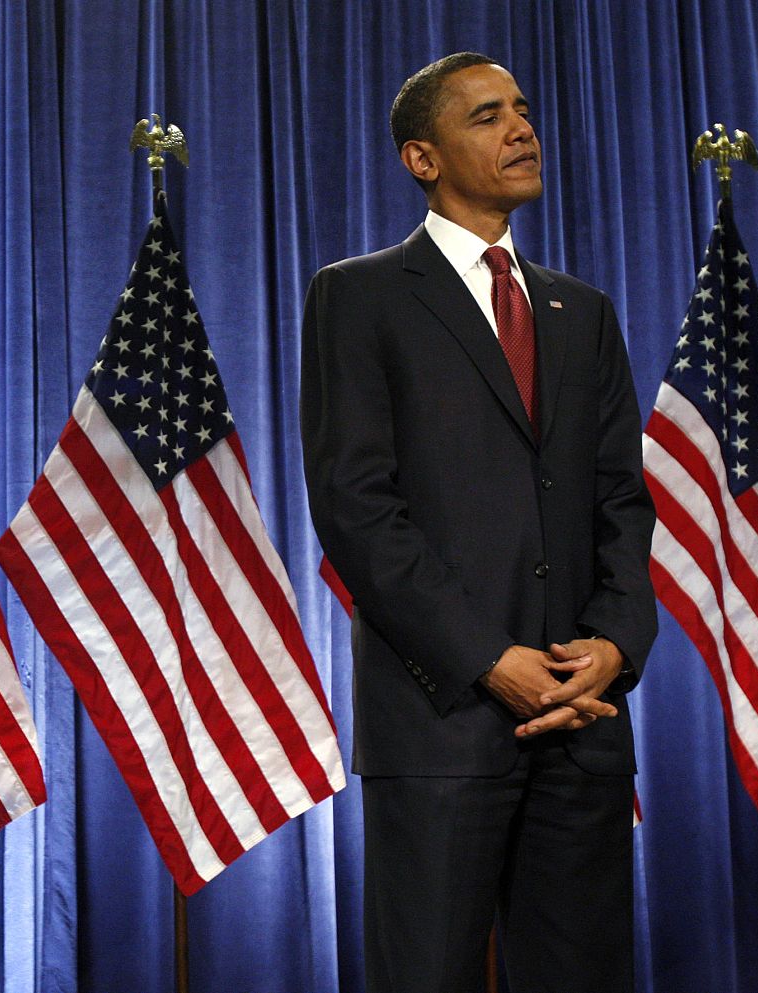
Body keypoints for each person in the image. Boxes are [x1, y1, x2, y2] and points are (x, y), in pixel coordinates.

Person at [300, 52, 657, 992]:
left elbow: (622, 501)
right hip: (442, 722)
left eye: (523, 110)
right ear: (422, 158)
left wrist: (614, 645)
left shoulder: (583, 311)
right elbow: (356, 507)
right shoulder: (360, 295)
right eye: (487, 115)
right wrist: (488, 659)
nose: (521, 129)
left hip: (581, 719)